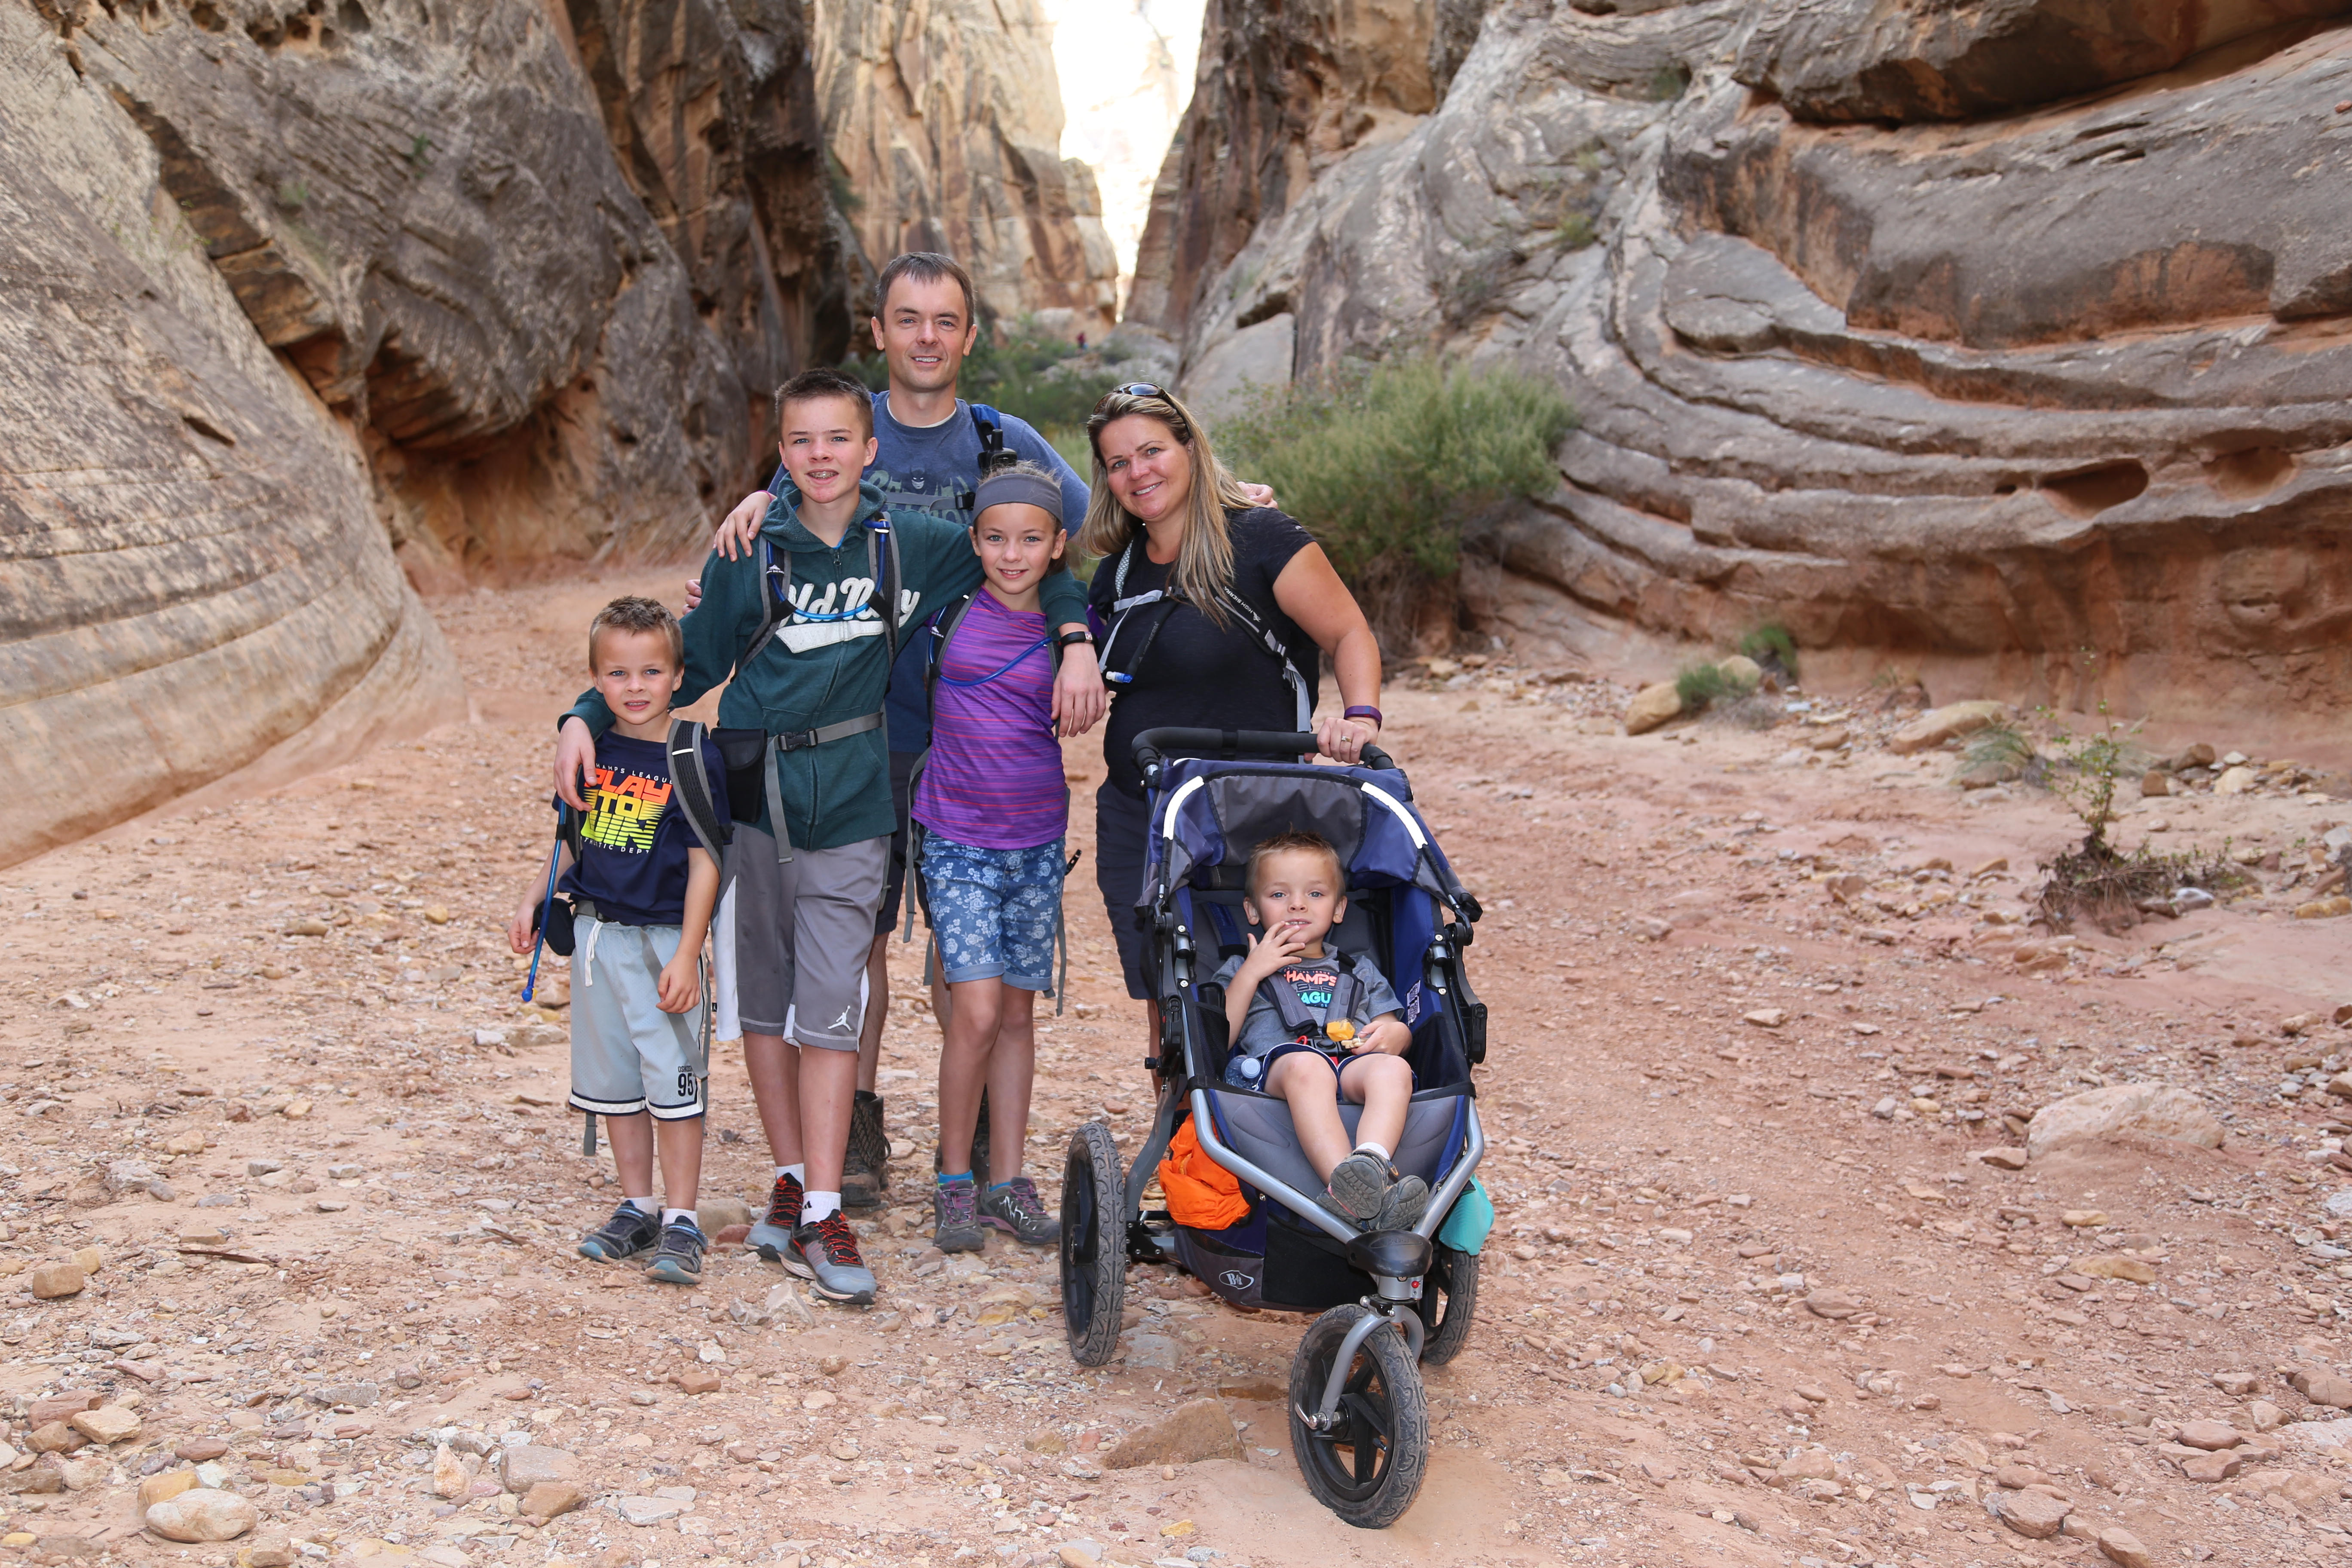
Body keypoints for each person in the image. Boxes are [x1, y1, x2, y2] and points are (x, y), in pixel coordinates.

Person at [550, 368, 1102, 1305]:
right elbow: (678, 664)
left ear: (870, 448)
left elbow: (1028, 567)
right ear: (784, 454)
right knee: (764, 1006)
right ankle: (798, 1179)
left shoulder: (914, 543)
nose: (820, 458)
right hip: (754, 797)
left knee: (833, 1007)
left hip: (853, 801)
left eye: (837, 440)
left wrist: (1078, 637)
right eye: (800, 443)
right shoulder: (752, 546)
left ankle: (819, 1210)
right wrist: (581, 716)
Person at [696, 253, 1094, 1214]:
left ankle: (988, 1153)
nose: (925, 337)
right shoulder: (837, 433)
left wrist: (1078, 636)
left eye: (945, 320)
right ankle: (860, 1128)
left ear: (968, 335)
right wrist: (752, 500)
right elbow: (777, 542)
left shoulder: (1007, 442)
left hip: (976, 744)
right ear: (876, 333)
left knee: (975, 961)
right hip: (859, 743)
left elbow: (1061, 552)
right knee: (860, 939)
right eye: (906, 319)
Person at [1076, 385, 1385, 1054]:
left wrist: (1359, 716)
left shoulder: (1260, 537)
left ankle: (1286, 1106)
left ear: (1190, 446)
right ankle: (1185, 1129)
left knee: (1274, 968)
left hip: (1253, 806)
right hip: (1141, 808)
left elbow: (1350, 633)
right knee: (1164, 975)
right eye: (1119, 462)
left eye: (1153, 451)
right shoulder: (1117, 572)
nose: (1139, 472)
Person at [508, 597, 724, 1284]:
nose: (636, 688)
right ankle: (639, 1206)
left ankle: (685, 1220)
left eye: (652, 672)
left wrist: (689, 954)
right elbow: (571, 841)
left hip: (665, 942)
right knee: (618, 1088)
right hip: (600, 939)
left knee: (675, 1084)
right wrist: (538, 893)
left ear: (679, 676)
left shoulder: (694, 756)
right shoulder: (591, 753)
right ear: (596, 682)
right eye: (619, 674)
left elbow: (706, 862)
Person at [914, 462, 1080, 1253]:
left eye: (1030, 539)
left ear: (1057, 544)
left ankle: (1008, 1183)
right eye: (994, 537)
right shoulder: (948, 604)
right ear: (973, 538)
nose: (1011, 554)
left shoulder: (1069, 621)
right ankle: (954, 1180)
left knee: (1017, 1012)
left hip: (1038, 837)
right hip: (954, 833)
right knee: (974, 1009)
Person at [1211, 830, 1428, 1230]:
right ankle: (1342, 1189)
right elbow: (1217, 1040)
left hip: (1350, 1065)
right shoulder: (1241, 969)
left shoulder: (1359, 969)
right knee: (1308, 1067)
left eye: (1315, 894)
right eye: (1279, 895)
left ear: (1339, 908)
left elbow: (1389, 1024)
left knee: (1394, 1070)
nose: (1297, 904)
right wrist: (1252, 971)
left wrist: (1397, 1035)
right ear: (1253, 910)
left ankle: (1370, 1163)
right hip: (1279, 1071)